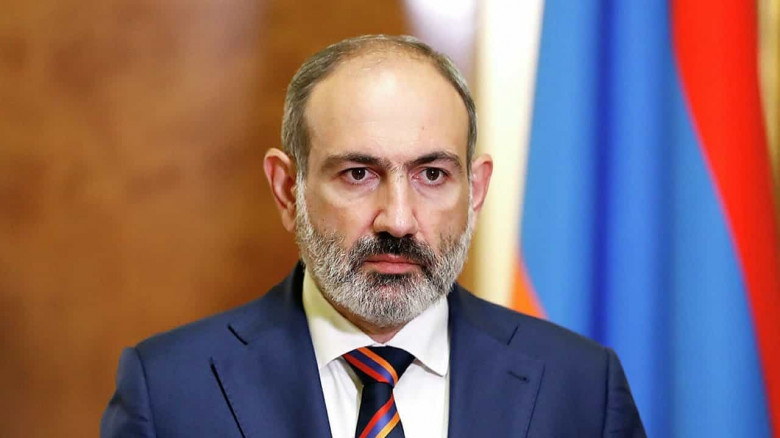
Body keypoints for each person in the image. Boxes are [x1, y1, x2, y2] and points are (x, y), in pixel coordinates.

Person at [101, 34, 645, 437]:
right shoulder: (168, 392)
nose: (398, 220)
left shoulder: (581, 388)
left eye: (432, 174)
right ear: (288, 190)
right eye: (358, 174)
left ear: (475, 191)